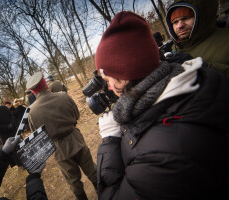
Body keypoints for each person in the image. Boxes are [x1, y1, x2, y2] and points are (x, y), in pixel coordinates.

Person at [94, 11, 228, 199]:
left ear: (127, 76)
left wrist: (110, 142)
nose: (108, 87)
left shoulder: (161, 153)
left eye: (108, 79)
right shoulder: (186, 82)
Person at [26, 72, 97, 200]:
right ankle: (105, 193)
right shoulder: (63, 96)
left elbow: (39, 136)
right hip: (76, 140)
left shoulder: (31, 112)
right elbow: (76, 115)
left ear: (33, 92)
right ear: (46, 84)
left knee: (73, 181)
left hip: (59, 150)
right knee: (92, 171)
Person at [165, 0, 229, 77]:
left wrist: (202, 67)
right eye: (175, 22)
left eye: (186, 18)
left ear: (202, 17)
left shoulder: (226, 38)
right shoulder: (173, 49)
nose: (180, 26)